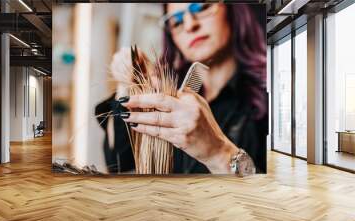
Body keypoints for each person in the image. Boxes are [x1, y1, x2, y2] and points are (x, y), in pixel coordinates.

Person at [95, 3, 267, 174]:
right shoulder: (168, 96)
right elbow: (119, 162)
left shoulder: (273, 93)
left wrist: (219, 152)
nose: (190, 25)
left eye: (202, 8)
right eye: (176, 22)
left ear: (232, 9)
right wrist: (126, 86)